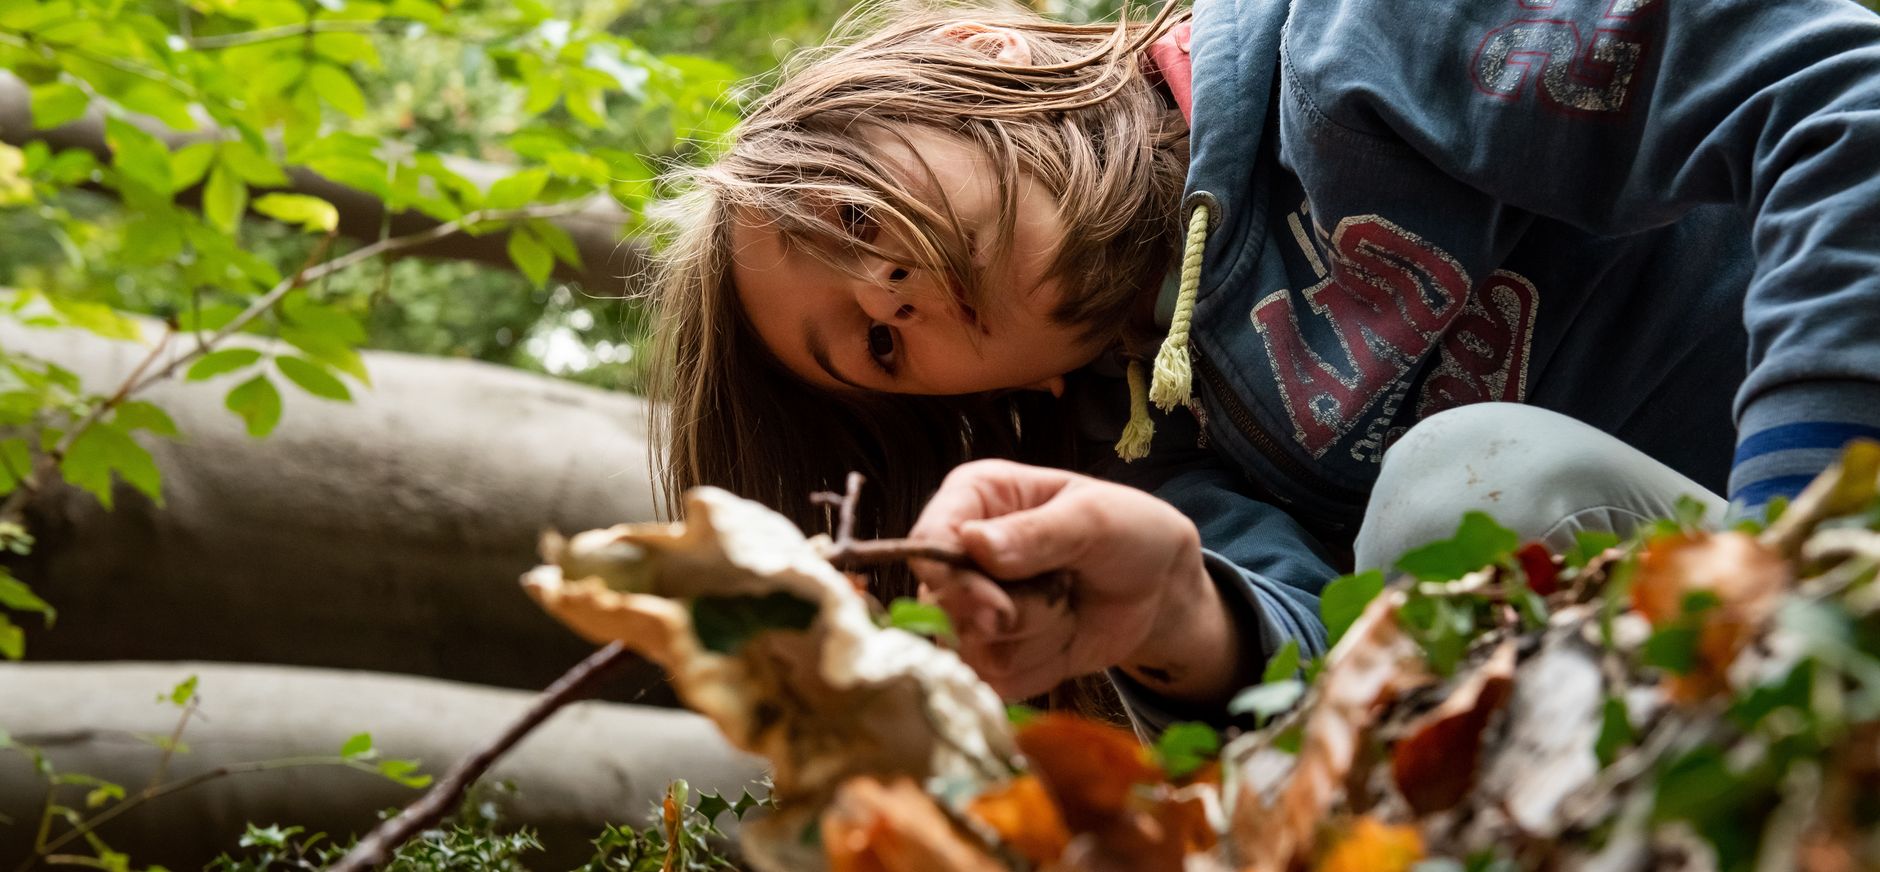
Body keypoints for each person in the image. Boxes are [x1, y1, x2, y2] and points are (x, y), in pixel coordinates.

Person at [642, 0, 1880, 729]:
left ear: (986, 58)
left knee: (1463, 483)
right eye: (874, 348)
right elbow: (1326, 673)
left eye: (856, 219)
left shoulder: (1350, 45)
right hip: (1750, 687)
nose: (885, 291)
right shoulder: (1155, 467)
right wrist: (1181, 608)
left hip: (1825, 565)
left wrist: (1806, 531)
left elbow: (1836, 99)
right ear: (975, 396)